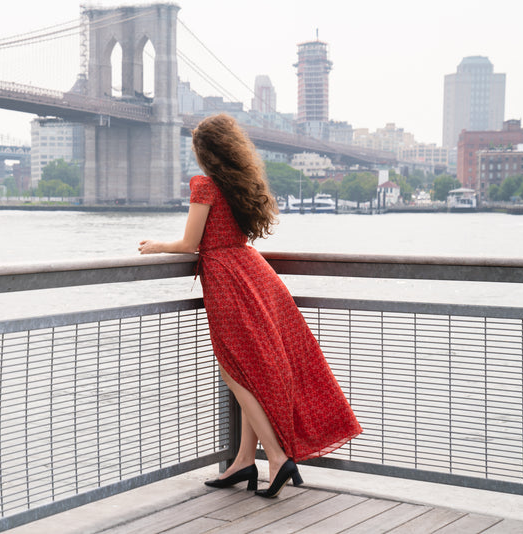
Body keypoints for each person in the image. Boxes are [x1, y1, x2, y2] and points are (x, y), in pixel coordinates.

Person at [138, 114, 362, 498]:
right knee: (250, 371)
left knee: (237, 374)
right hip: (254, 273)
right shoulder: (243, 183)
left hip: (228, 282)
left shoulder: (204, 185)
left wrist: (156, 245)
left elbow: (192, 242)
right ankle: (244, 461)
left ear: (205, 153)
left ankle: (275, 457)